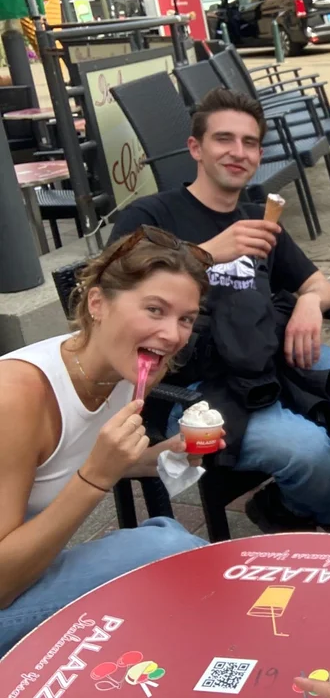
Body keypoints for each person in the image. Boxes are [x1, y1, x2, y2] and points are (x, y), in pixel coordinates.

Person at [110, 88, 330, 543]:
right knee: (307, 448)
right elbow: (114, 292)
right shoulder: (152, 215)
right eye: (224, 139)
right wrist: (205, 254)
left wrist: (309, 305)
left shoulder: (260, 218)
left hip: (272, 360)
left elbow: (319, 285)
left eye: (250, 142)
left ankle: (285, 502)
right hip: (194, 385)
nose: (238, 152)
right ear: (196, 148)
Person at [0, 228, 211, 654]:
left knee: (168, 539)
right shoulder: (17, 396)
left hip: (29, 569)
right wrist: (95, 478)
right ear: (97, 303)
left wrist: (165, 456)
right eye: (155, 309)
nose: (172, 335)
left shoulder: (132, 368)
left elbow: (77, 461)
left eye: (186, 318)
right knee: (168, 550)